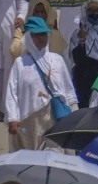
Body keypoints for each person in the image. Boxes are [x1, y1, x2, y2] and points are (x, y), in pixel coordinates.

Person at [6, 16, 78, 151]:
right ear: (28, 37)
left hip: (54, 116)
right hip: (28, 120)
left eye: (43, 34)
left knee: (54, 156)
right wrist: (12, 118)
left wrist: (74, 114)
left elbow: (68, 89)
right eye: (36, 35)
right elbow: (12, 92)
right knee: (29, 160)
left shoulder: (57, 60)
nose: (41, 38)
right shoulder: (20, 63)